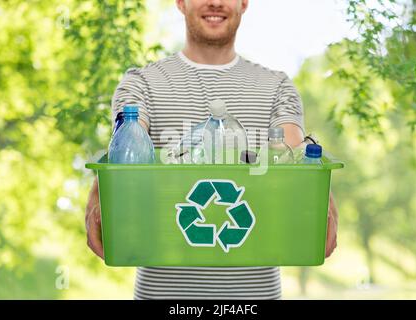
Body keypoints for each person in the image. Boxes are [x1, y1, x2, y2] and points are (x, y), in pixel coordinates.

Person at [85, 0, 338, 300]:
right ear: (180, 2)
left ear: (244, 2)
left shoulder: (276, 87)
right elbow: (126, 144)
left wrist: (323, 197)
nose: (215, 2)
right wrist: (100, 193)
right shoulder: (142, 83)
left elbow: (293, 152)